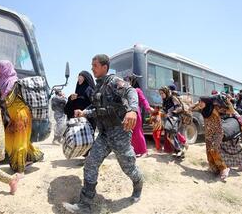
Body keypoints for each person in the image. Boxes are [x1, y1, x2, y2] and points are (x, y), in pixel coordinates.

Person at [63, 54, 143, 213]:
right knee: (91, 163)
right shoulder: (97, 88)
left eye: (95, 65)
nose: (92, 68)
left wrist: (133, 110)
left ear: (104, 67)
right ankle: (84, 205)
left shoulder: (114, 82)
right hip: (104, 134)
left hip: (120, 133)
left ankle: (138, 185)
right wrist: (84, 113)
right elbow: (98, 110)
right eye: (92, 65)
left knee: (128, 168)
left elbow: (131, 91)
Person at [0, 60, 44, 173]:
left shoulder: (13, 82)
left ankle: (21, 169)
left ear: (4, 69)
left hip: (21, 116)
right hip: (12, 117)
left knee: (19, 142)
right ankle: (30, 157)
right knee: (8, 139)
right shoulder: (2, 82)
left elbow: (8, 100)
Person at [192, 95, 242, 179]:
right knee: (209, 153)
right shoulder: (201, 109)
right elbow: (190, 109)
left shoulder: (216, 108)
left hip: (218, 133)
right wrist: (197, 103)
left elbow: (231, 111)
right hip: (208, 134)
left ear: (207, 102)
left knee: (213, 149)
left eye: (201, 101)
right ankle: (214, 169)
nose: (200, 103)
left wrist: (229, 103)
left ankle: (224, 168)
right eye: (199, 101)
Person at [125, 74, 154, 157]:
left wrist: (148, 108)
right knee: (131, 133)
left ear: (132, 81)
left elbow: (143, 100)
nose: (126, 82)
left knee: (138, 132)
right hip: (127, 112)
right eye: (126, 80)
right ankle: (136, 151)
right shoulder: (126, 91)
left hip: (135, 113)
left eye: (128, 80)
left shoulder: (137, 90)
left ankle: (144, 151)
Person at [159, 86, 184, 157]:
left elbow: (180, 107)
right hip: (169, 119)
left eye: (162, 93)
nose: (161, 95)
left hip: (175, 118)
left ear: (166, 92)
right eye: (160, 94)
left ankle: (179, 150)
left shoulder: (172, 98)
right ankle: (178, 150)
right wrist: (162, 112)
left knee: (172, 134)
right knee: (170, 136)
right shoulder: (164, 101)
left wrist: (172, 112)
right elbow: (164, 110)